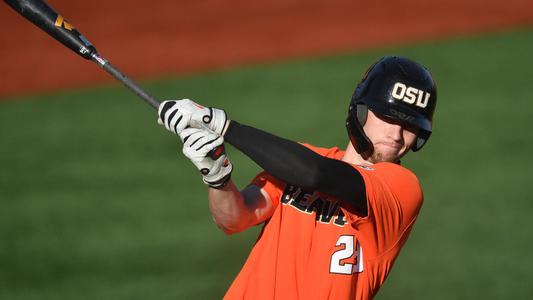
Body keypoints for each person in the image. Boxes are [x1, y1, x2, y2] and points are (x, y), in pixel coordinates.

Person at [158, 56, 437, 300]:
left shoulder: (402, 189)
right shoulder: (299, 160)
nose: (397, 135)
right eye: (388, 117)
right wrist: (218, 178)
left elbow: (315, 174)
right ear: (362, 110)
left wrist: (223, 126)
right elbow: (234, 219)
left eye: (410, 125)